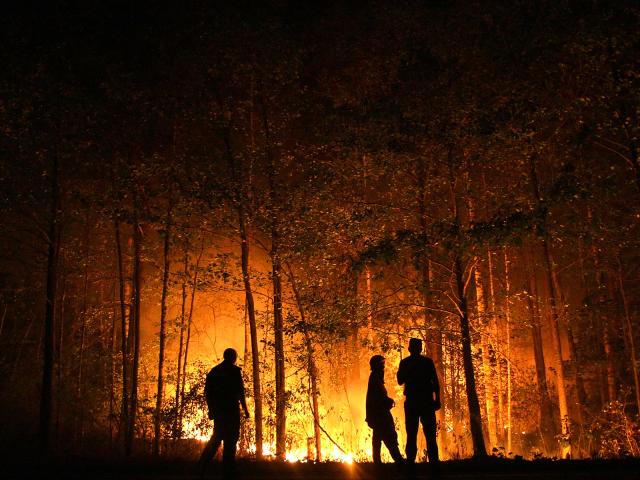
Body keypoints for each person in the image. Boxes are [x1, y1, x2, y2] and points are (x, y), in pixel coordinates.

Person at [199, 348, 250, 478]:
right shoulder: (234, 372)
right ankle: (228, 470)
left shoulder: (214, 372)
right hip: (231, 411)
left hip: (219, 412)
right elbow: (240, 392)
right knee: (231, 441)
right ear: (233, 357)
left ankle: (201, 467)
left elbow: (208, 393)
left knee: (216, 439)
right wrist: (245, 409)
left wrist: (211, 410)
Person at [397, 338, 440, 471]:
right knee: (430, 434)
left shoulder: (405, 363)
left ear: (410, 349)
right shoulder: (427, 362)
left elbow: (399, 381)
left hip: (412, 402)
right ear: (420, 349)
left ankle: (410, 464)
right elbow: (435, 381)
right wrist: (437, 399)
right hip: (426, 401)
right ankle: (434, 465)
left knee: (411, 433)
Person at [365, 355, 404, 466]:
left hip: (378, 414)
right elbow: (377, 397)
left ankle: (378, 463)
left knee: (378, 438)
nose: (383, 366)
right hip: (380, 415)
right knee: (389, 436)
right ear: (376, 366)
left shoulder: (375, 378)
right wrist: (388, 401)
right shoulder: (375, 378)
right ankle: (398, 460)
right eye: (382, 364)